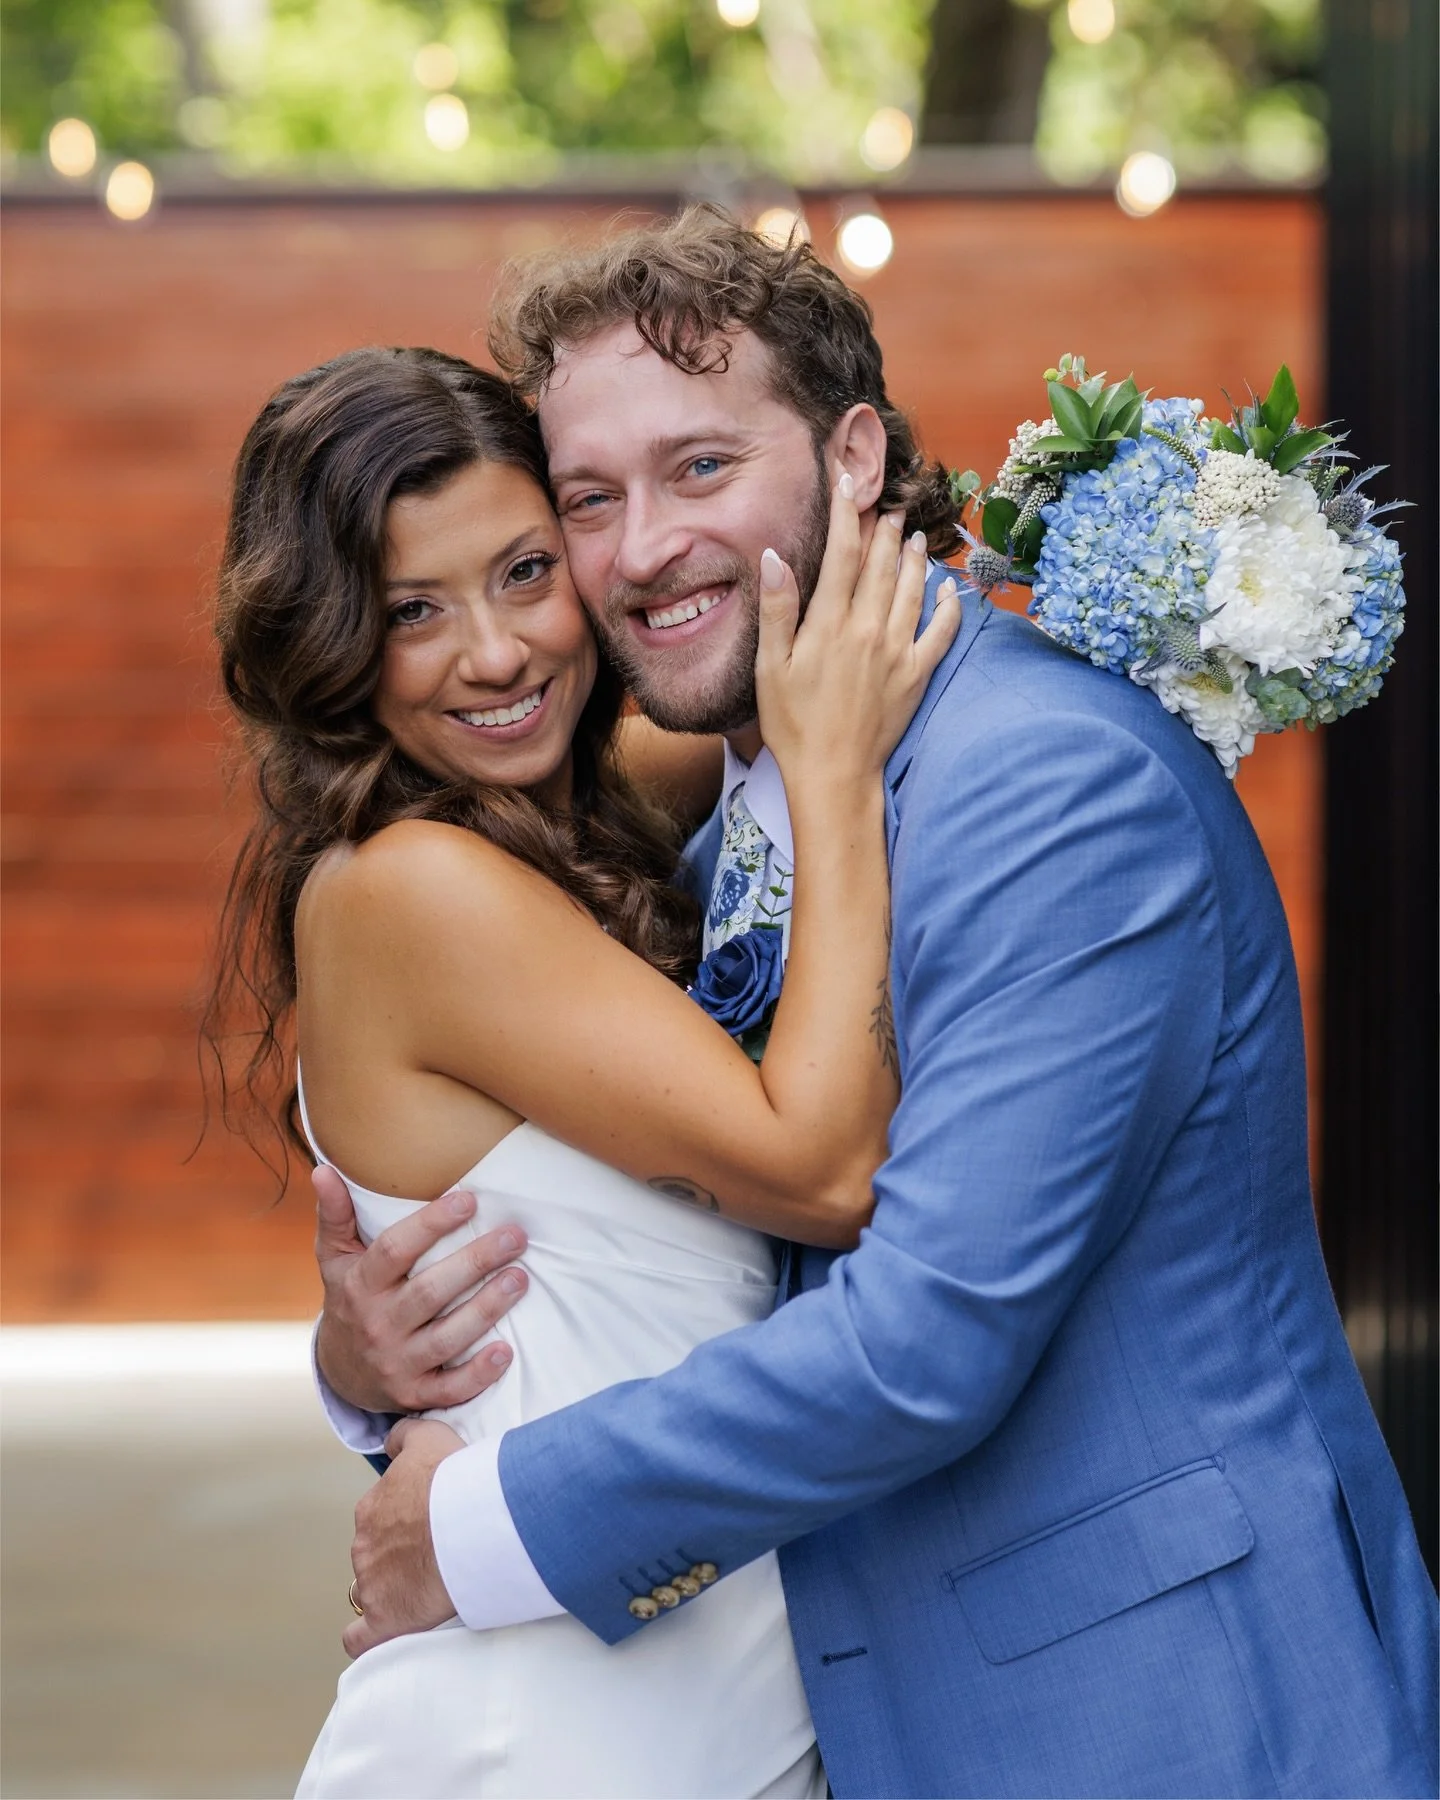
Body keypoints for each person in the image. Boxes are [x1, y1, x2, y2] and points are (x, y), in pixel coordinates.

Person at [314, 207, 1439, 1800]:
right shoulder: (724, 796)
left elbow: (926, 1337)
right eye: (590, 497)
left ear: (851, 459)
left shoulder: (1044, 782)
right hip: (872, 1705)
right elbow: (672, 1234)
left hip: (1160, 1706)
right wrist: (371, 1361)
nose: (642, 549)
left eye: (702, 468)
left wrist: (477, 1531)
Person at [208, 341, 959, 1797]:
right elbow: (819, 1168)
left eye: (525, 573)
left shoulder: (574, 813)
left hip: (695, 1687)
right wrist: (832, 780)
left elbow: (761, 671)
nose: (493, 654)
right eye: (410, 611)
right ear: (329, 648)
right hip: (541, 1726)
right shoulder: (409, 887)